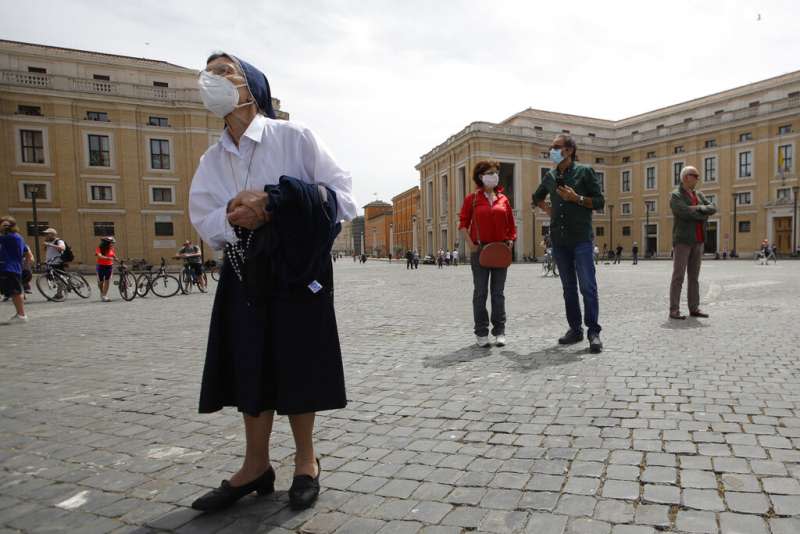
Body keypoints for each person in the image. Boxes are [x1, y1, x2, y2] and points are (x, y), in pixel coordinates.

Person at [188, 51, 356, 512]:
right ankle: (256, 464)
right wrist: (233, 218)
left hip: (298, 269)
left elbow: (344, 198)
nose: (213, 80)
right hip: (245, 269)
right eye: (209, 73)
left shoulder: (294, 137)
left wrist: (275, 201)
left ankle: (306, 461)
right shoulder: (213, 155)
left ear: (252, 87)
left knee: (299, 361)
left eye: (224, 72)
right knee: (249, 361)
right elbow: (202, 213)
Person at [532, 134, 604, 353]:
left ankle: (593, 332)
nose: (552, 150)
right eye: (551, 147)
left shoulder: (585, 172)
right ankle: (575, 330)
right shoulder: (550, 176)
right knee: (568, 288)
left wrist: (577, 199)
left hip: (581, 238)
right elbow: (536, 197)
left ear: (569, 150)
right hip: (559, 240)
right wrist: (548, 210)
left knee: (588, 287)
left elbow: (600, 201)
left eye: (556, 147)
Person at [459, 160, 516, 347]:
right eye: (490, 172)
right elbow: (463, 224)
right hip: (480, 250)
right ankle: (481, 332)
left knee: (498, 294)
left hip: (500, 250)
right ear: (481, 176)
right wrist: (471, 245)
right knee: (480, 293)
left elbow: (511, 226)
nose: (494, 176)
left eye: (496, 172)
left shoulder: (503, 199)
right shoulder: (472, 199)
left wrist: (511, 243)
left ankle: (500, 331)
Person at [669, 166, 717, 320]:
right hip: (683, 240)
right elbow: (683, 212)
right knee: (678, 276)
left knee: (694, 277)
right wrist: (702, 213)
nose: (698, 178)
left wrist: (697, 209)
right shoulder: (676, 195)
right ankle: (674, 309)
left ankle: (694, 308)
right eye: (695, 175)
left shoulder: (699, 194)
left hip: (698, 240)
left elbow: (713, 208)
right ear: (685, 177)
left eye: (698, 175)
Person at [0, 217, 29, 324]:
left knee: (15, 292)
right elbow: (26, 252)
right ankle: (20, 314)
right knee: (14, 292)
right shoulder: (18, 237)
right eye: (3, 225)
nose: (4, 227)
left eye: (6, 225)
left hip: (9, 268)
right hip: (12, 268)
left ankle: (21, 315)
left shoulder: (9, 237)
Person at [95, 236, 116, 302]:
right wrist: (107, 258)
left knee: (107, 280)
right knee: (101, 282)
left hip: (109, 266)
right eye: (111, 243)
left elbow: (113, 254)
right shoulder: (99, 248)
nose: (112, 244)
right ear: (106, 243)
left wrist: (115, 258)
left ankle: (104, 295)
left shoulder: (111, 248)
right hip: (101, 266)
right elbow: (99, 256)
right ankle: (102, 292)